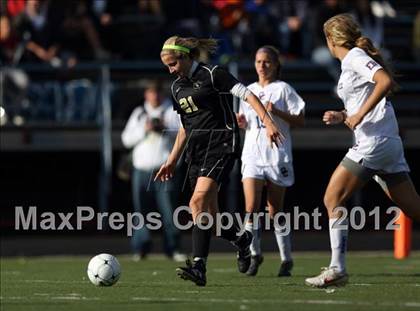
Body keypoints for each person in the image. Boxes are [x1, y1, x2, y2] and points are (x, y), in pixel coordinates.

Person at [155, 36, 284, 286]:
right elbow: (184, 127)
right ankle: (242, 240)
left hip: (222, 144)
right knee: (209, 220)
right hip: (196, 151)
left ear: (185, 57)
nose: (170, 70)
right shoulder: (176, 88)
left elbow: (247, 95)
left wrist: (268, 121)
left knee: (196, 202)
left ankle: (199, 267)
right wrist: (172, 160)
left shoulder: (213, 74)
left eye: (172, 64)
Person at [305, 14, 420, 288]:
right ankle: (337, 267)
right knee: (415, 208)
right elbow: (364, 99)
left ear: (332, 40)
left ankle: (337, 268)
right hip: (387, 144)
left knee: (332, 199)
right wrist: (344, 114)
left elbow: (384, 81)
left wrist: (357, 116)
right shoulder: (350, 63)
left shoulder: (354, 57)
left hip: (375, 143)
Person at [237, 45, 305, 277]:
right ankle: (254, 254)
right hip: (253, 155)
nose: (262, 66)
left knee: (275, 210)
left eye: (266, 62)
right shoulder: (248, 90)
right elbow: (246, 121)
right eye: (258, 61)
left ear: (276, 65)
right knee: (250, 208)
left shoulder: (283, 89)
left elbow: (301, 121)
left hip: (277, 154)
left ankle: (286, 258)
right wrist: (241, 122)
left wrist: (276, 112)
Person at [121, 80, 186, 262]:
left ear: (162, 94)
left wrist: (164, 127)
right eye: (151, 92)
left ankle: (173, 249)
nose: (155, 96)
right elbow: (126, 140)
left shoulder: (172, 111)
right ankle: (140, 248)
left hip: (165, 170)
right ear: (146, 95)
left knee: (169, 211)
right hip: (141, 171)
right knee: (140, 212)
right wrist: (145, 129)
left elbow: (185, 132)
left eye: (157, 92)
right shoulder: (140, 113)